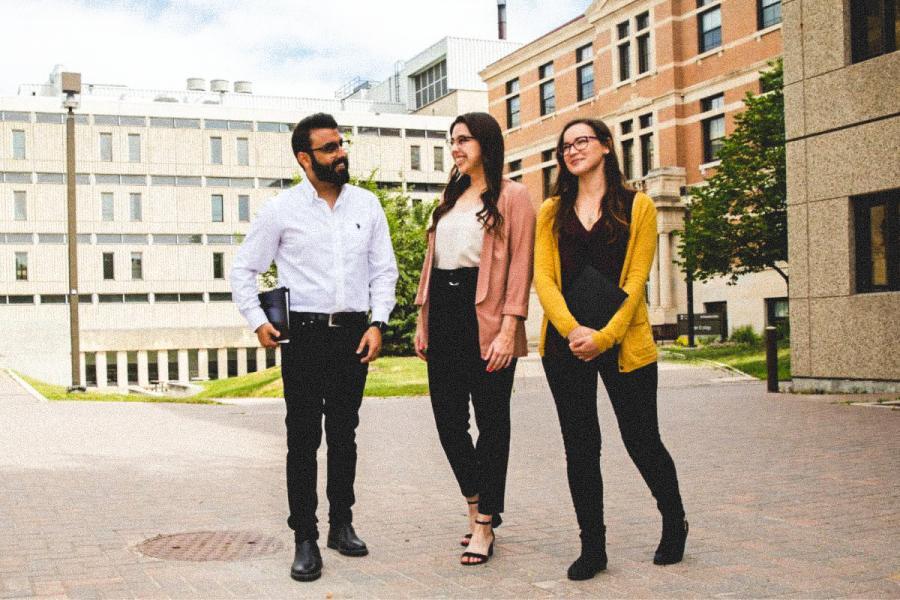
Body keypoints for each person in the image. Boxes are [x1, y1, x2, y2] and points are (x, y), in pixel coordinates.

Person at [230, 112, 398, 582]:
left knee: (345, 434)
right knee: (303, 439)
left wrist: (378, 322)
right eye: (329, 148)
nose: (340, 153)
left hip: (352, 334)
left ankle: (341, 524)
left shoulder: (367, 205)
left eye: (341, 144)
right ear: (305, 158)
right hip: (301, 336)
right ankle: (305, 535)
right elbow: (243, 269)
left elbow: (384, 270)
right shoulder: (281, 210)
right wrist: (257, 321)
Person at [534, 118, 688, 581]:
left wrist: (604, 336)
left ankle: (674, 520)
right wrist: (572, 330)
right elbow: (543, 279)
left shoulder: (636, 205)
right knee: (581, 448)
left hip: (625, 343)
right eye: (565, 146)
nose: (572, 150)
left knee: (641, 439)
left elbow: (637, 279)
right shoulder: (550, 211)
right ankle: (592, 546)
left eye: (582, 141)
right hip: (565, 345)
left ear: (604, 146)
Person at [414, 112, 535, 566]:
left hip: (484, 315)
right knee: (448, 423)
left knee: (491, 422)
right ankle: (475, 504)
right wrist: (423, 320)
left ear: (486, 142)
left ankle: (484, 523)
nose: (456, 148)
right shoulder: (448, 199)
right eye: (452, 141)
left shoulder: (513, 195)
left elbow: (520, 265)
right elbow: (433, 264)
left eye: (463, 139)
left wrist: (510, 327)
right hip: (443, 312)